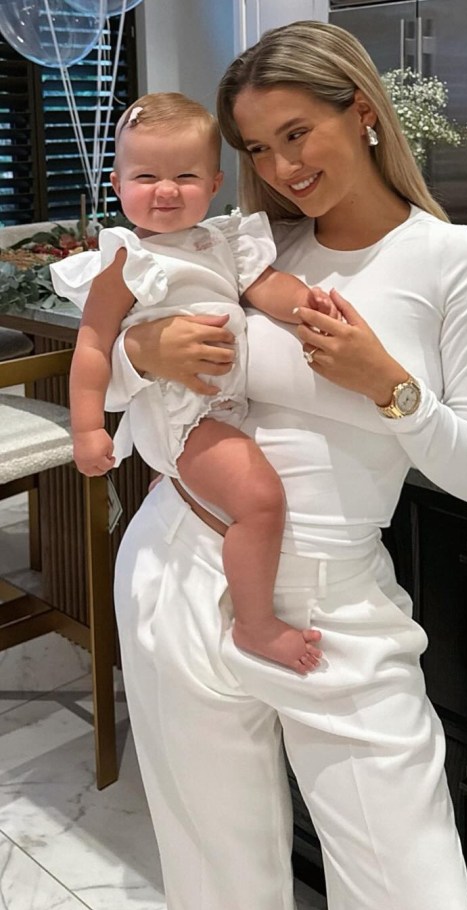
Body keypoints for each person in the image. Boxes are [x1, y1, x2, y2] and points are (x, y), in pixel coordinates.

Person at [108, 20, 467, 910]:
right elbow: (133, 382)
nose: (282, 166)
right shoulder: (249, 248)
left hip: (336, 608)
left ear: (362, 114)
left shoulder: (452, 262)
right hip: (179, 568)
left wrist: (392, 389)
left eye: (298, 132)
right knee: (219, 887)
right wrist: (142, 348)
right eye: (257, 147)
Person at [52, 91, 342, 673]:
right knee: (260, 500)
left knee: (242, 500)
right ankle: (256, 625)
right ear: (117, 184)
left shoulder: (222, 241)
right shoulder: (123, 260)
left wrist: (310, 304)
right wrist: (87, 429)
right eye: (146, 176)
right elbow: (92, 346)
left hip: (223, 405)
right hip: (183, 414)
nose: (165, 190)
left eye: (184, 175)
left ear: (213, 184)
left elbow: (267, 286)